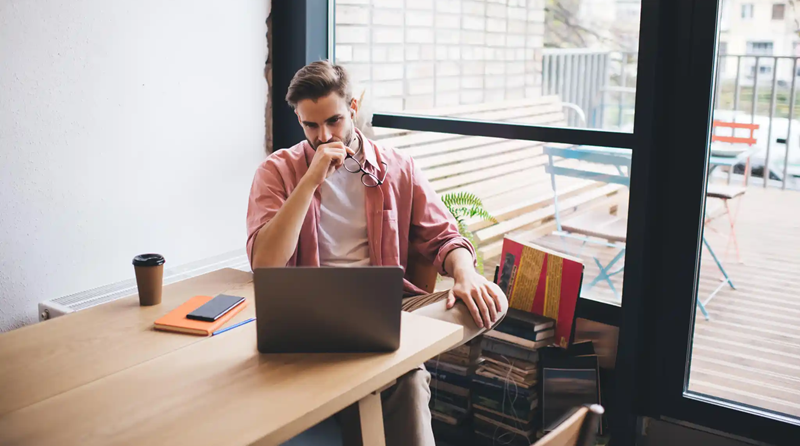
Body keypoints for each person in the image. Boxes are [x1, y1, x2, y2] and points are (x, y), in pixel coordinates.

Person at [246, 60, 508, 446]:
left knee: (491, 299)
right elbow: (264, 264)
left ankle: (375, 355)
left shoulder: (397, 166)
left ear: (352, 108)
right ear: (299, 120)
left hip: (390, 312)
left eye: (333, 120)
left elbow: (444, 236)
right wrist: (310, 180)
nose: (323, 135)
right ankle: (385, 359)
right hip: (309, 316)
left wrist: (465, 274)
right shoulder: (278, 171)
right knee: (409, 375)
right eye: (310, 125)